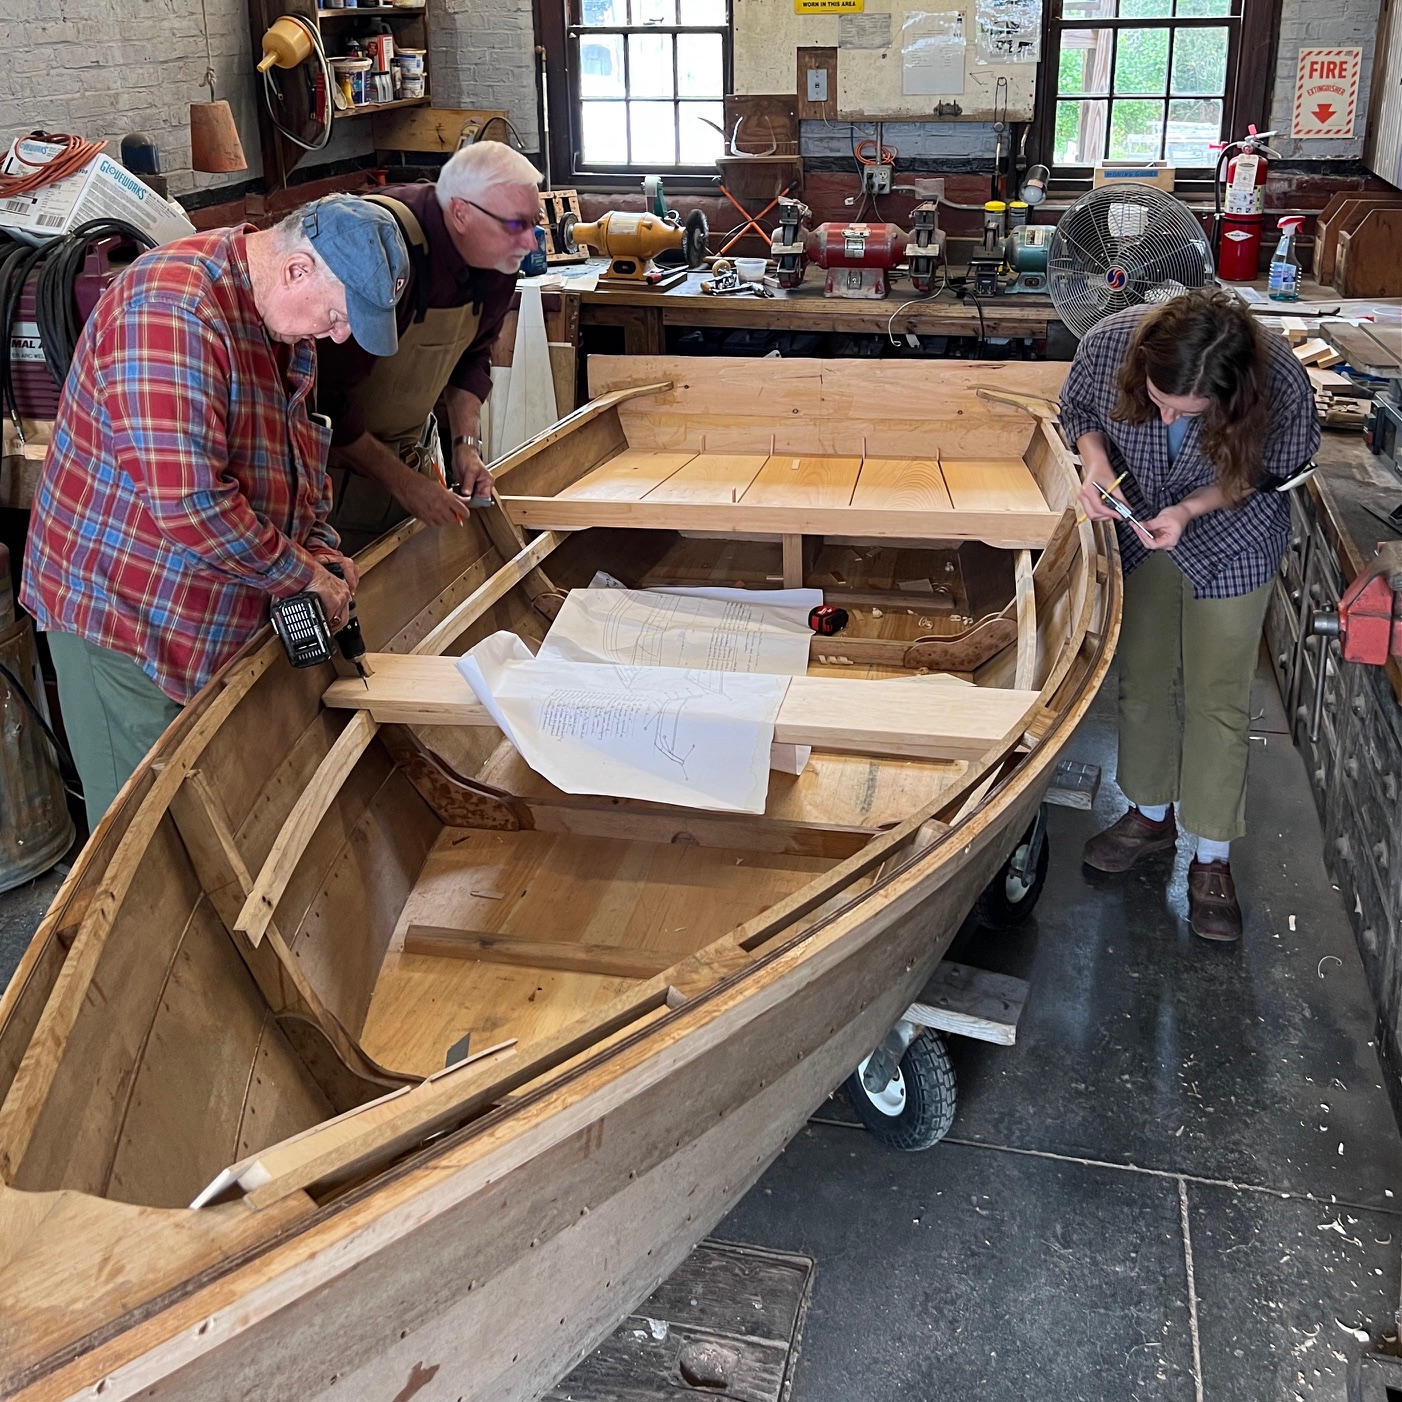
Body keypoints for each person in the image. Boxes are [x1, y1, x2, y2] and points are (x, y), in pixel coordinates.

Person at [21, 195, 410, 830]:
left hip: (209, 603)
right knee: (142, 848)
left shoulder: (285, 323)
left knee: (205, 819)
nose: (339, 334)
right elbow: (192, 505)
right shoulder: (172, 311)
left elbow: (298, 455)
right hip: (126, 616)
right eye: (339, 315)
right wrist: (304, 577)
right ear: (296, 270)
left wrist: (318, 544)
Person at [1061, 290, 1319, 942]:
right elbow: (1081, 412)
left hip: (1232, 534)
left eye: (1187, 410)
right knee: (1143, 680)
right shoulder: (1111, 342)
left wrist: (1189, 510)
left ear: (1231, 397)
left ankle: (1212, 858)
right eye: (1160, 399)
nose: (1168, 413)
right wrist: (1094, 469)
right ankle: (1150, 816)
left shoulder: (1278, 377)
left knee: (1218, 698)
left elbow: (1272, 468)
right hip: (1137, 522)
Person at [317, 140, 545, 553]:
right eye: (516, 225)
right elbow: (323, 403)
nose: (530, 242)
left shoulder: (496, 259)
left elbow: (472, 357)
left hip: (409, 458)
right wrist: (406, 485)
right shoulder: (386, 249)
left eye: (535, 222)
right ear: (461, 212)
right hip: (331, 480)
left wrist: (466, 448)